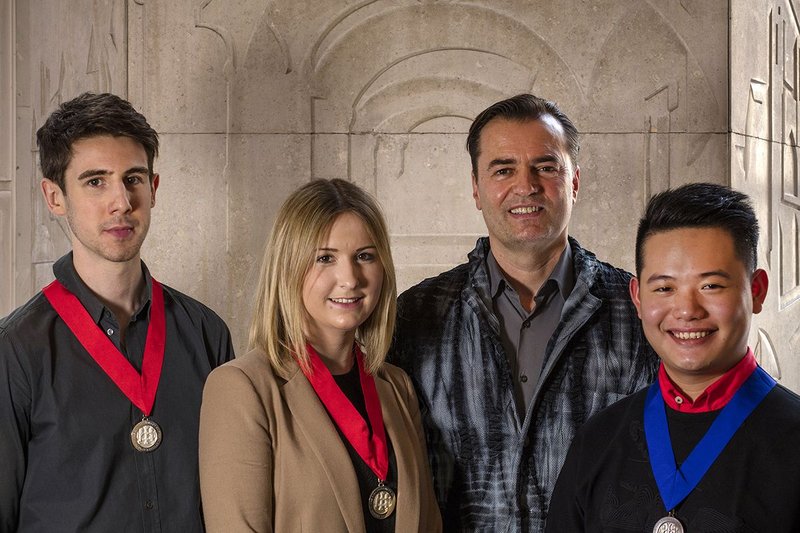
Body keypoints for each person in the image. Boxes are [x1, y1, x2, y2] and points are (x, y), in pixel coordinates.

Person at [390, 93, 659, 531]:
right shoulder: (417, 317)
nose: (526, 185)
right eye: (503, 169)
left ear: (574, 183)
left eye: (546, 167)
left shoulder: (638, 312)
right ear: (476, 188)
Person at [0, 92, 235, 532]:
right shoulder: (13, 351)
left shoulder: (207, 333)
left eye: (133, 179)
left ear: (154, 187)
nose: (121, 202)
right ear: (54, 197)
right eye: (95, 181)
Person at [546, 182, 800, 532]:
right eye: (664, 288)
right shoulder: (599, 439)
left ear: (756, 291)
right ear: (637, 297)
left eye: (711, 286)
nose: (686, 310)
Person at [199, 178, 441, 533]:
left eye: (364, 256)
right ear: (288, 268)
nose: (350, 278)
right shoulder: (242, 388)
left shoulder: (397, 386)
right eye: (325, 258)